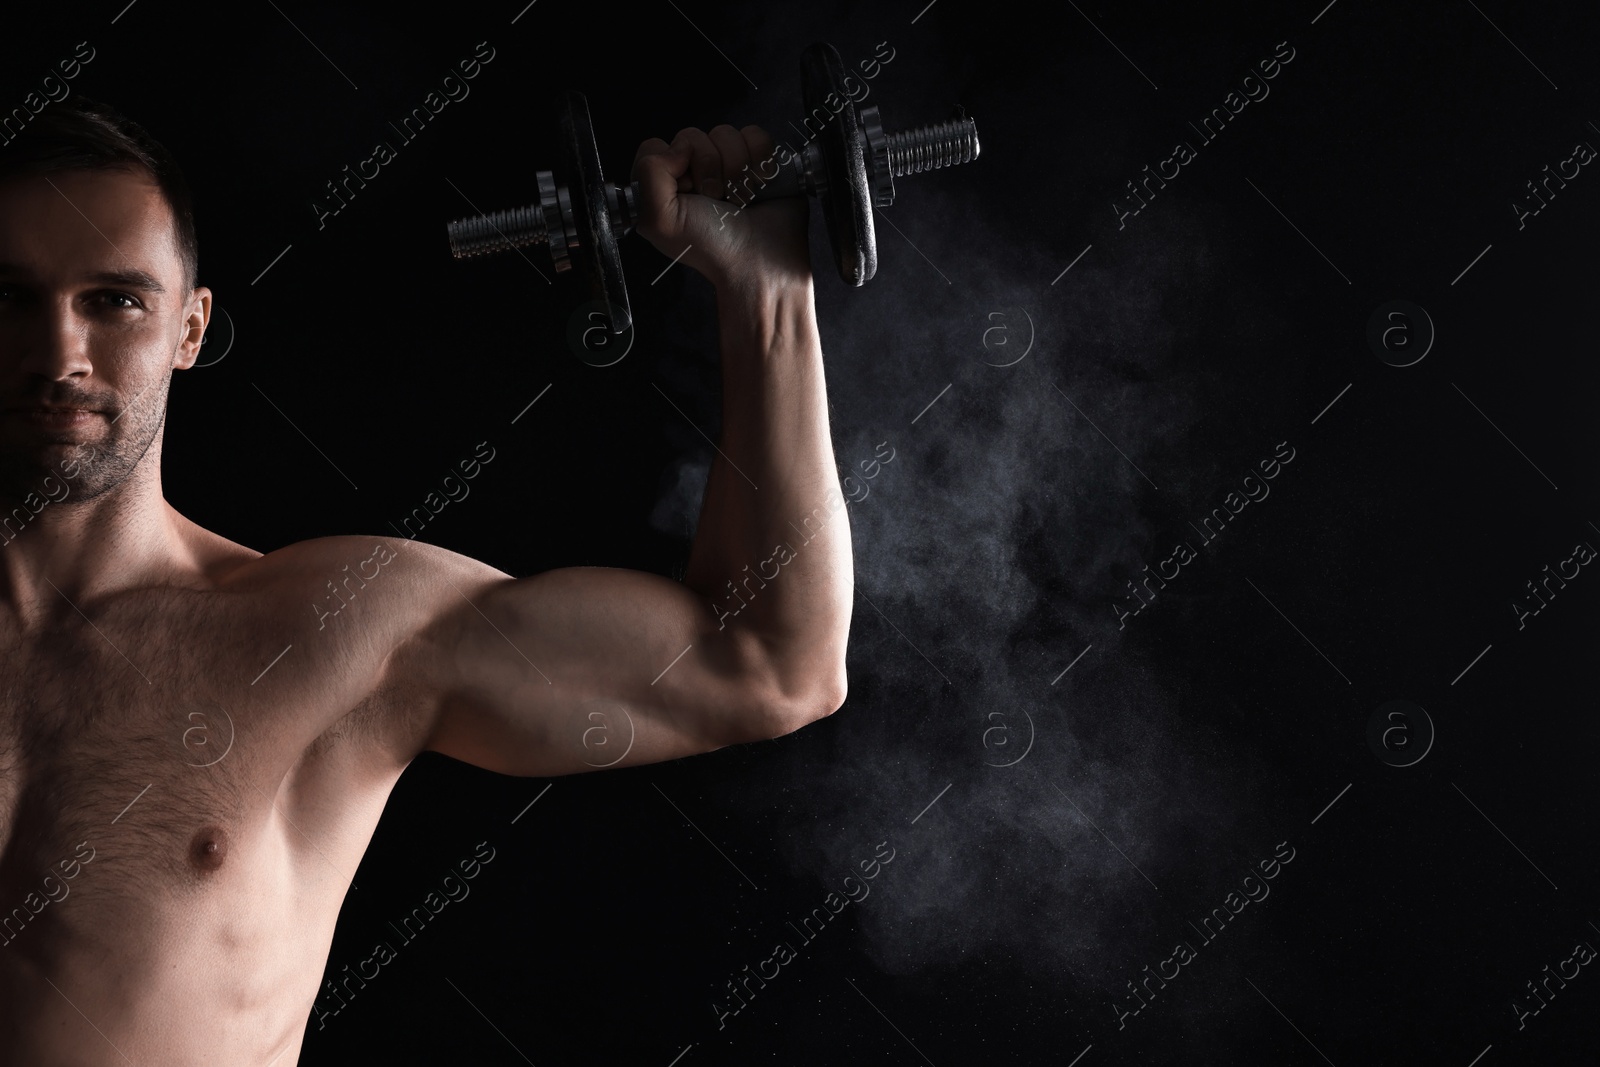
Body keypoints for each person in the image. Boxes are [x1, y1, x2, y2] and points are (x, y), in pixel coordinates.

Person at [0, 96, 852, 1065]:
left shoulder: (335, 629)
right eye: (7, 298)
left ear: (190, 328)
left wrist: (768, 293)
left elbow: (772, 661)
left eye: (114, 300)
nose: (60, 355)